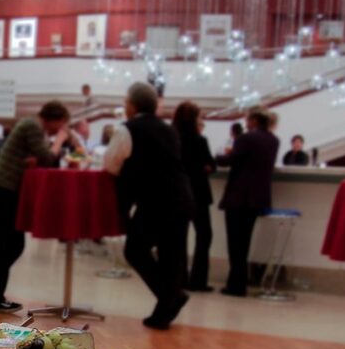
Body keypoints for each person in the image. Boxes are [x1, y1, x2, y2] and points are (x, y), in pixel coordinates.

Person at [103, 83, 195, 329]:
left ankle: (171, 297)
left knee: (135, 249)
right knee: (171, 256)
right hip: (182, 197)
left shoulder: (127, 129)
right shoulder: (169, 130)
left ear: (132, 105)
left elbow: (111, 164)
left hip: (155, 201)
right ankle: (164, 311)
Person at [0, 101, 69, 313]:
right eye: (60, 125)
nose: (60, 129)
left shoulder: (30, 126)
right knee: (9, 243)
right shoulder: (32, 126)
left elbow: (35, 157)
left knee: (8, 243)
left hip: (5, 188)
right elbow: (48, 158)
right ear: (54, 119)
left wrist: (31, 159)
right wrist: (58, 141)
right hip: (6, 189)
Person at [216, 108, 280, 297]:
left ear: (252, 120)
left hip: (238, 196)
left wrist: (216, 158)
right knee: (245, 240)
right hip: (258, 197)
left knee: (235, 243)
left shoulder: (245, 139)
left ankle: (236, 283)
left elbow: (231, 160)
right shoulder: (274, 140)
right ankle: (239, 282)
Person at [173, 101, 217, 293]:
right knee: (204, 235)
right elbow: (210, 165)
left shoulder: (172, 138)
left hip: (178, 192)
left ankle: (179, 277)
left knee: (179, 237)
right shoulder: (200, 140)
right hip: (199, 192)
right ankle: (198, 279)